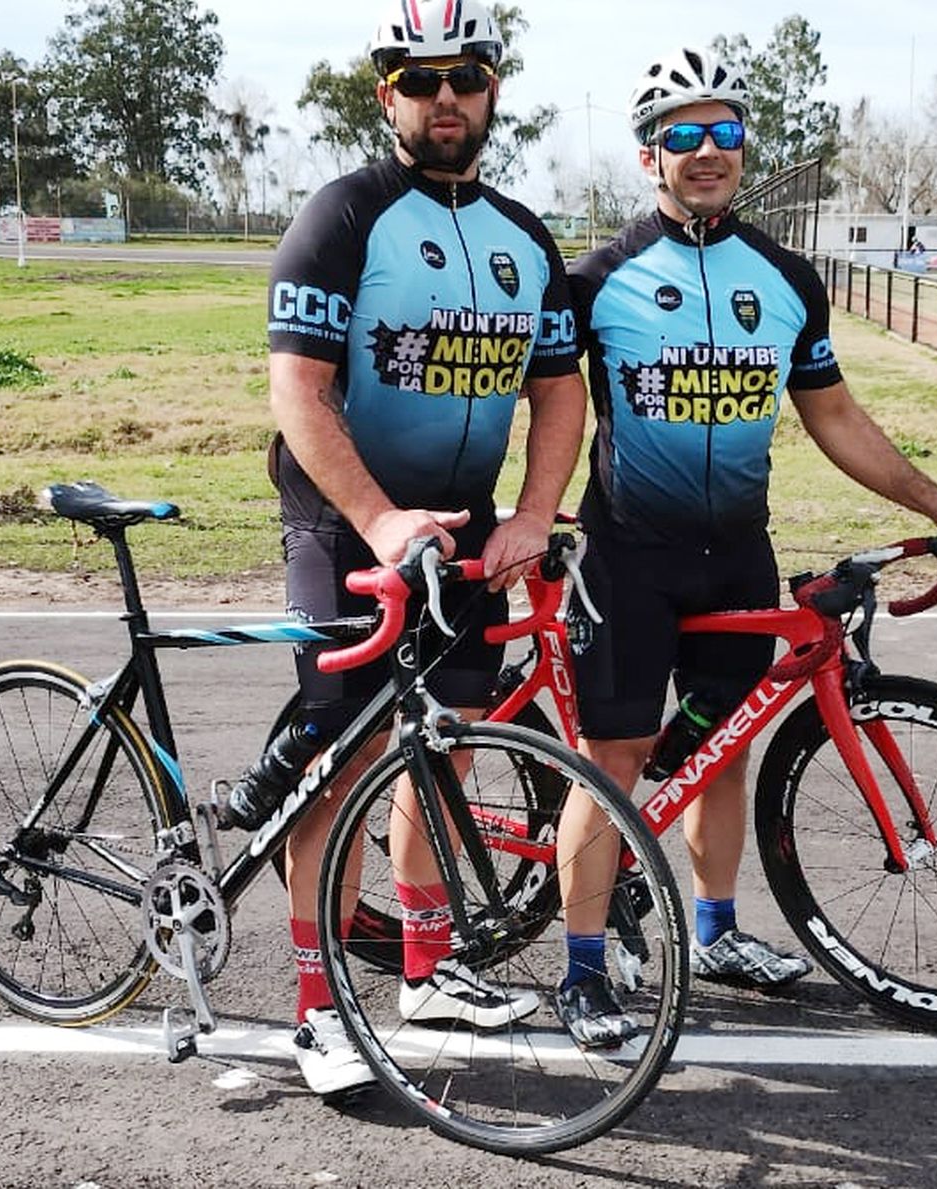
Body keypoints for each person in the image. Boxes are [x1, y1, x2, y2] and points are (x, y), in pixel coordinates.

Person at [552, 46, 937, 1046]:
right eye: (682, 134)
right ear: (647, 156)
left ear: (743, 149)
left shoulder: (787, 278)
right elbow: (541, 405)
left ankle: (714, 931)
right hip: (627, 555)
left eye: (724, 132)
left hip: (736, 554)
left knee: (721, 750)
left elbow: (834, 414)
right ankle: (582, 972)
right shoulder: (599, 279)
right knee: (613, 758)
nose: (706, 151)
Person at [232, 0, 588, 1097]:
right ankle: (315, 1007)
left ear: (491, 92)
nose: (445, 97)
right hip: (349, 522)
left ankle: (429, 971)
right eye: (419, 78)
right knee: (337, 768)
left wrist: (533, 512)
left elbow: (560, 392)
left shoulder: (526, 236)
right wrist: (382, 520)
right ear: (387, 93)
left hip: (470, 526)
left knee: (444, 751)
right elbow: (299, 391)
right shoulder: (343, 217)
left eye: (465, 77)